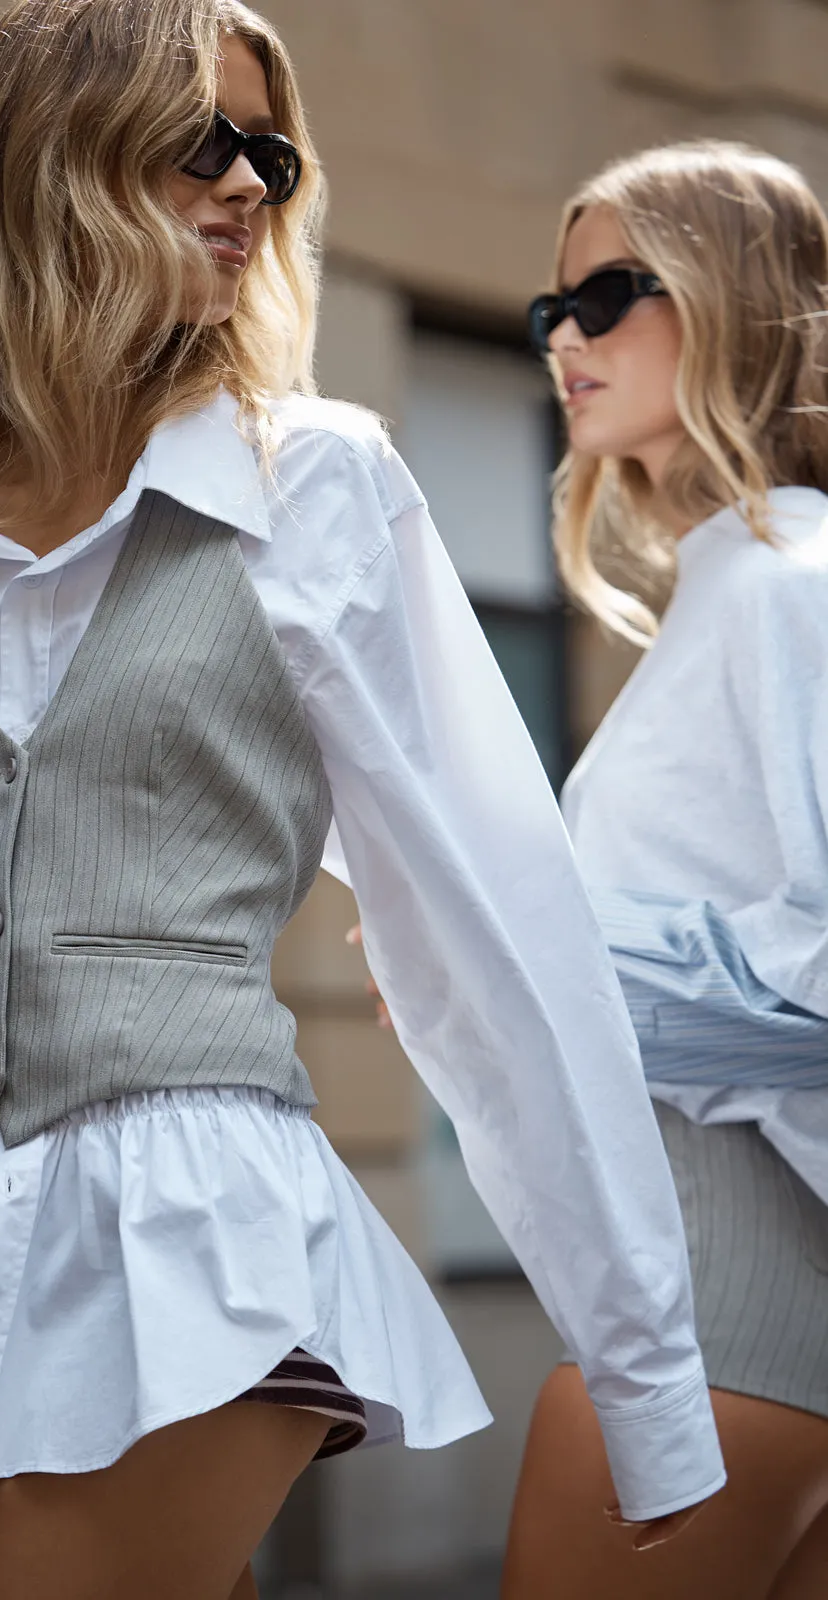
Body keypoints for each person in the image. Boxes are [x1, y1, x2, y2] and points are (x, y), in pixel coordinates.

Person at [0, 6, 722, 1596]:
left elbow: (499, 940)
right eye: (206, 139)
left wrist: (647, 1376)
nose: (253, 185)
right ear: (48, 161)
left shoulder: (314, 486)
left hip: (204, 1226)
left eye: (273, 151)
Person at [499, 141, 828, 1599]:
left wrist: (530, 958)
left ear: (737, 301)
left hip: (726, 1265)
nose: (567, 336)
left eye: (610, 293)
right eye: (547, 310)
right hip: (712, 1262)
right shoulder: (724, 592)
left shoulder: (788, 584)